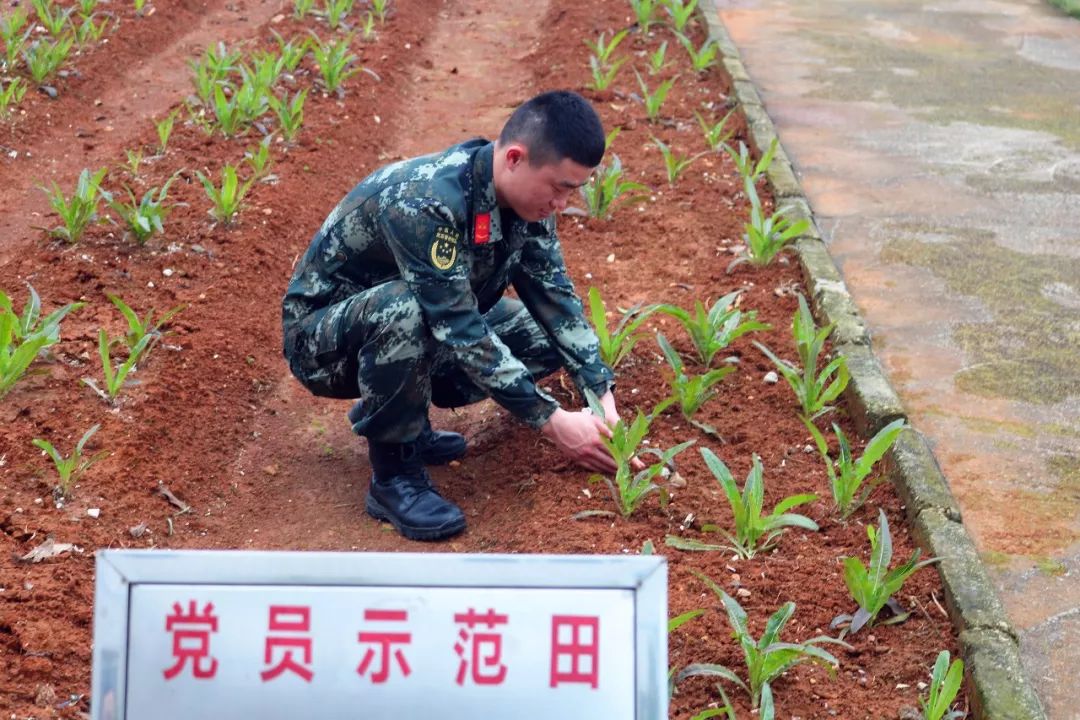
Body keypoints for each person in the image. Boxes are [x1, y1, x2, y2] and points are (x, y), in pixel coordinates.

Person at [282, 90, 632, 542]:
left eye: (573, 191)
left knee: (541, 335)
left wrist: (603, 400)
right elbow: (458, 326)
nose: (563, 204)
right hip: (323, 343)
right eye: (561, 187)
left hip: (414, 324)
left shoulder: (528, 206)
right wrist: (552, 422)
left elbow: (557, 302)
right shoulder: (425, 200)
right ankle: (394, 475)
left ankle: (407, 415)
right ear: (514, 158)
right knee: (404, 309)